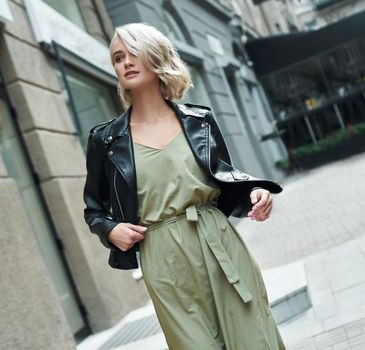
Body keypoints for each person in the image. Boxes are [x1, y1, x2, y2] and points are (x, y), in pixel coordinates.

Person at [83, 22, 286, 350]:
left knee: (253, 339)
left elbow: (223, 178)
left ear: (156, 56)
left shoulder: (199, 120)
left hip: (217, 240)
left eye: (134, 52)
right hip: (161, 253)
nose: (126, 62)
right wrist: (109, 230)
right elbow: (93, 207)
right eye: (118, 57)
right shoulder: (105, 140)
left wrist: (252, 194)